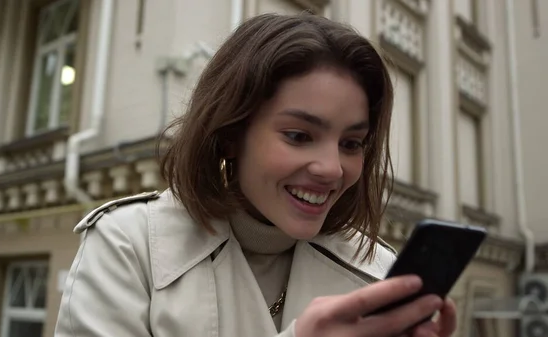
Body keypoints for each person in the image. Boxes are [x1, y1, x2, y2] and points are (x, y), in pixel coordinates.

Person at [54, 13, 457, 337]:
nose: (332, 168)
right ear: (230, 134)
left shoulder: (379, 273)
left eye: (351, 144)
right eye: (299, 136)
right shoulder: (127, 247)